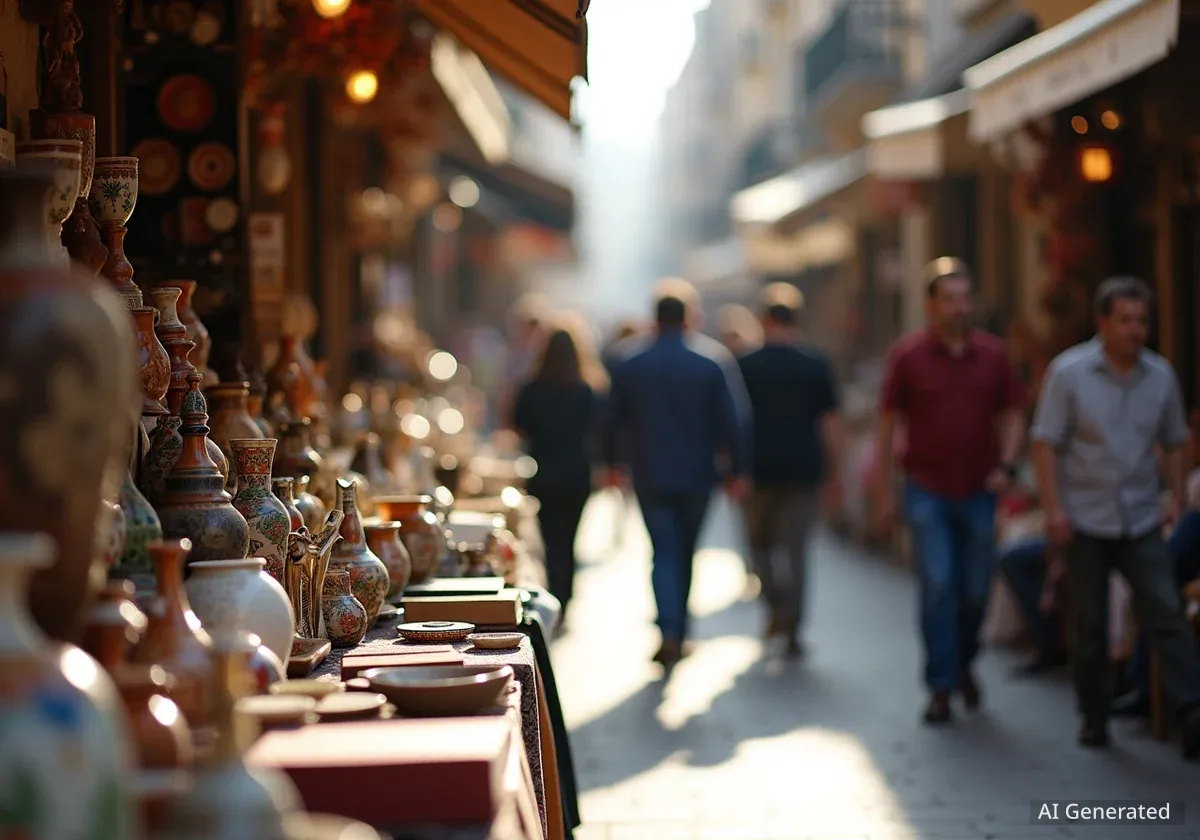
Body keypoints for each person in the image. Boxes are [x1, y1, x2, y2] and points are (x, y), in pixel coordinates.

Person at [1030, 276, 1200, 754]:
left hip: (1141, 515)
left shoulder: (1160, 375)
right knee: (1090, 623)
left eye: (1142, 321)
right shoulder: (1069, 373)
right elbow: (1046, 443)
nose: (1135, 331)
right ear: (1103, 322)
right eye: (1125, 320)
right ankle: (1094, 713)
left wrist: (1177, 499)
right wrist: (1055, 508)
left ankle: (1192, 710)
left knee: (1164, 608)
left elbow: (1175, 441)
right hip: (1086, 516)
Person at [877, 257, 1026, 724]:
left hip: (980, 486)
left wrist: (1006, 464)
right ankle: (941, 685)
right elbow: (887, 425)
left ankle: (964, 664)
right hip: (927, 486)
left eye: (965, 298)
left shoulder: (994, 355)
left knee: (976, 588)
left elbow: (1014, 414)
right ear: (930, 304)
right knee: (939, 583)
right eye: (949, 299)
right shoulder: (907, 356)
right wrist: (886, 491)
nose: (959, 308)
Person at [601, 278, 752, 667]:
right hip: (698, 475)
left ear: (655, 318)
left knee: (663, 552)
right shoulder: (712, 361)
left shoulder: (631, 362)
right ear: (690, 317)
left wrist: (612, 464)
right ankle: (678, 629)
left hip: (650, 471)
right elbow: (734, 421)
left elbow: (609, 420)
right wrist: (738, 470)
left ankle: (670, 628)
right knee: (685, 552)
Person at [737, 283, 842, 657]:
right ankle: (793, 625)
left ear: (765, 320)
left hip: (758, 469)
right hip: (804, 468)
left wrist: (733, 468)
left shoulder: (746, 365)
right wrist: (835, 474)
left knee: (760, 545)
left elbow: (736, 422)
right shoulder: (815, 364)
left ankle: (777, 605)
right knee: (796, 552)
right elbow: (830, 424)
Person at [512, 314, 606, 619]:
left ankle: (556, 595)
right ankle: (566, 596)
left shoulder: (532, 387)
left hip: (543, 473)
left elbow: (518, 424)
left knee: (551, 540)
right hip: (578, 474)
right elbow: (598, 429)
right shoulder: (586, 390)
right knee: (569, 539)